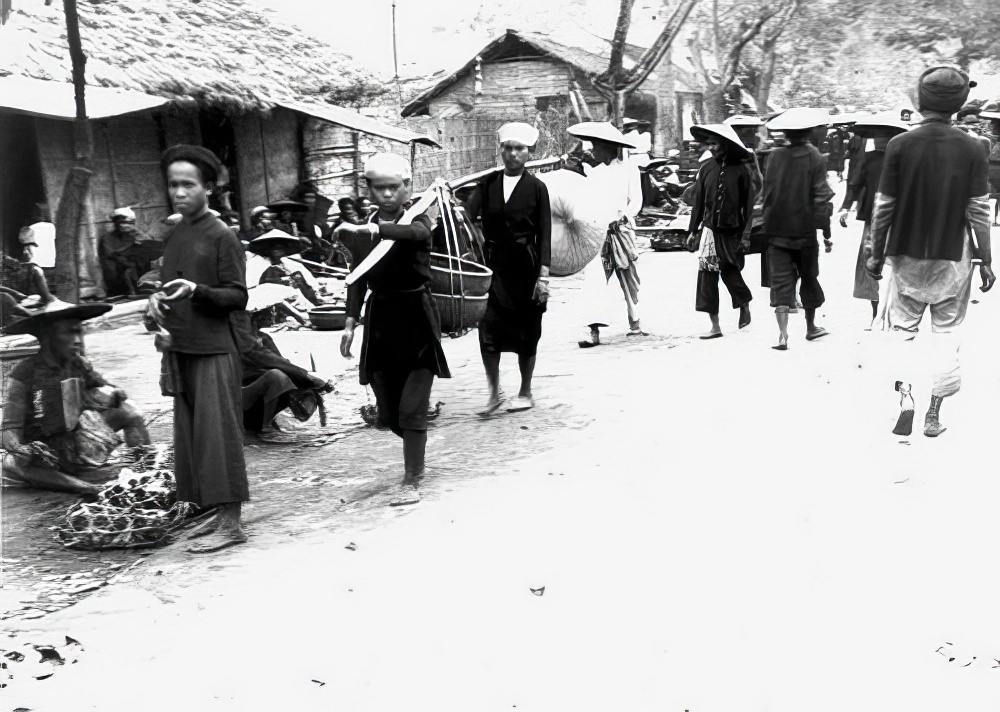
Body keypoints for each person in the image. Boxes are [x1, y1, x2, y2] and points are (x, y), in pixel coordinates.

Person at [865, 66, 995, 438]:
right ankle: (933, 414)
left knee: (903, 332)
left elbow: (884, 205)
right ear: (958, 104)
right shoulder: (972, 147)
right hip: (953, 259)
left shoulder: (899, 145)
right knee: (946, 335)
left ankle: (906, 396)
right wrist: (985, 259)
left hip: (905, 257)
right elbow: (979, 210)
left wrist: (875, 252)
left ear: (921, 100)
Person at [150, 144, 249, 553]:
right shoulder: (177, 232)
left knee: (217, 437)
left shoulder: (221, 235)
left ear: (207, 187)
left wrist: (198, 291)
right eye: (173, 184)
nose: (179, 192)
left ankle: (232, 524)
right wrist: (155, 300)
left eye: (188, 184)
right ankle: (214, 514)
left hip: (213, 350)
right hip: (182, 348)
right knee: (191, 439)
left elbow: (238, 296)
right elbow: (170, 281)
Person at [337, 153, 450, 502]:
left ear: (407, 189)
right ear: (368, 190)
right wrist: (350, 322)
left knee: (412, 408)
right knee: (389, 413)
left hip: (416, 315)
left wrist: (371, 229)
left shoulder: (421, 220)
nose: (387, 194)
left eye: (394, 188)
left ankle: (412, 478)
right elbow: (356, 277)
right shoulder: (363, 230)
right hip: (381, 319)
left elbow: (412, 234)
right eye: (379, 188)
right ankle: (416, 445)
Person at [1, 300, 151, 495]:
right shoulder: (24, 374)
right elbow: (9, 430)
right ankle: (82, 486)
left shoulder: (79, 364)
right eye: (69, 332)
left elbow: (105, 390)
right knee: (20, 462)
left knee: (130, 412)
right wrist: (21, 448)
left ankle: (146, 468)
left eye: (79, 332)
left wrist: (111, 394)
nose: (78, 339)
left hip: (75, 437)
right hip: (43, 449)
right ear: (49, 337)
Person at [464, 122, 552, 414]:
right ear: (500, 150)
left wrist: (543, 275)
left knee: (527, 330)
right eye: (507, 148)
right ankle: (493, 392)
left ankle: (525, 391)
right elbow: (465, 217)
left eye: (519, 149)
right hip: (493, 266)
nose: (513, 154)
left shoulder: (537, 188)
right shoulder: (487, 184)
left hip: (526, 267)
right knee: (487, 328)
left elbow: (545, 232)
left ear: (529, 152)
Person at [761, 108, 836, 350]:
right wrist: (825, 229)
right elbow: (821, 195)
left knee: (781, 282)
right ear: (808, 132)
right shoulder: (813, 155)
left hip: (776, 230)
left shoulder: (774, 156)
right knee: (808, 277)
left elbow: (767, 192)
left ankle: (782, 335)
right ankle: (811, 327)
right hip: (804, 231)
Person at [566, 122, 645, 346]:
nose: (594, 151)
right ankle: (593, 331)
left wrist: (624, 217)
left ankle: (635, 321)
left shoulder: (630, 170)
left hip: (621, 229)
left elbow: (636, 201)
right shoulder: (592, 173)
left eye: (598, 147)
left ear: (610, 148)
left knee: (627, 274)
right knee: (595, 279)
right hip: (597, 231)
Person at [686, 123, 756, 338]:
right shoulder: (706, 168)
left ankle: (743, 303)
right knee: (707, 276)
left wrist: (746, 235)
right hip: (709, 231)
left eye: (716, 143)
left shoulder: (742, 171)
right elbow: (698, 203)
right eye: (710, 144)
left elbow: (749, 206)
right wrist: (693, 230)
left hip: (732, 231)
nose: (712, 148)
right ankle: (715, 326)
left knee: (730, 271)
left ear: (726, 145)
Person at [838, 115, 910, 323]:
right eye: (877, 136)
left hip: (894, 219)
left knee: (889, 262)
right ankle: (876, 310)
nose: (879, 139)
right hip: (875, 217)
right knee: (870, 262)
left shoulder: (902, 161)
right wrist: (845, 207)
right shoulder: (870, 159)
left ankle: (893, 309)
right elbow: (855, 184)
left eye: (884, 136)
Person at [233, 287, 333, 433]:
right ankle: (264, 425)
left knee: (288, 376)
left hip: (256, 391)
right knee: (278, 377)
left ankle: (266, 420)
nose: (274, 313)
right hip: (240, 391)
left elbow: (281, 362)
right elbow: (271, 362)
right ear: (257, 315)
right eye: (270, 310)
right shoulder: (245, 339)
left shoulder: (265, 338)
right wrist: (308, 377)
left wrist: (309, 378)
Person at [247, 229, 321, 305]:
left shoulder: (290, 264)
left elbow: (309, 283)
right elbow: (255, 288)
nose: (280, 251)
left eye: (282, 248)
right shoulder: (257, 264)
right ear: (269, 249)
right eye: (276, 248)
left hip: (297, 300)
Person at [99, 207, 146, 297]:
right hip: (115, 273)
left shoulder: (131, 235)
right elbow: (111, 254)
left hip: (133, 270)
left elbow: (148, 245)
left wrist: (138, 234)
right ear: (115, 223)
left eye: (129, 223)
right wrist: (129, 246)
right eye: (121, 223)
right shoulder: (107, 238)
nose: (124, 226)